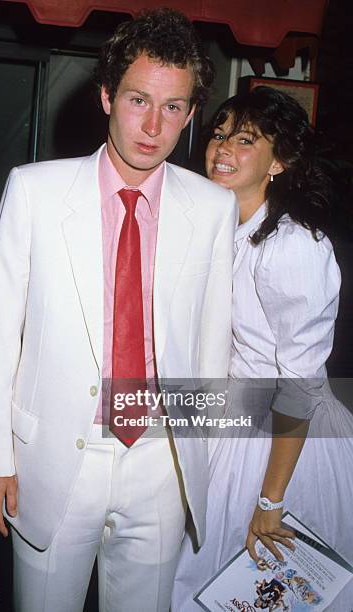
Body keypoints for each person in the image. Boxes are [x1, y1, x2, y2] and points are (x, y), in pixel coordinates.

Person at [0, 8, 237, 612]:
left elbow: (213, 343)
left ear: (190, 115)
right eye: (140, 100)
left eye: (173, 107)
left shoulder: (214, 208)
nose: (153, 125)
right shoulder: (35, 190)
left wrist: (200, 459)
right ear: (108, 96)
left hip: (163, 462)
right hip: (55, 457)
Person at [172, 86, 353, 611]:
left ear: (281, 161)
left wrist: (271, 500)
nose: (222, 148)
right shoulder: (217, 227)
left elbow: (299, 386)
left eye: (245, 139)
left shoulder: (294, 246)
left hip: (282, 442)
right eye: (219, 134)